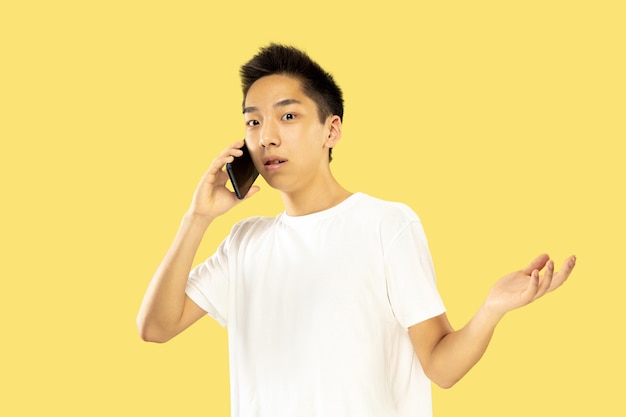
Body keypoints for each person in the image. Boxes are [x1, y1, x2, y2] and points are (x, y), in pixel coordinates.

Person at [136, 44, 576, 417]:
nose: (266, 136)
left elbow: (441, 367)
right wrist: (197, 218)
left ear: (332, 129)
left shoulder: (386, 225)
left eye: (287, 117)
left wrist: (492, 308)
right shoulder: (244, 243)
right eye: (253, 122)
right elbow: (155, 326)